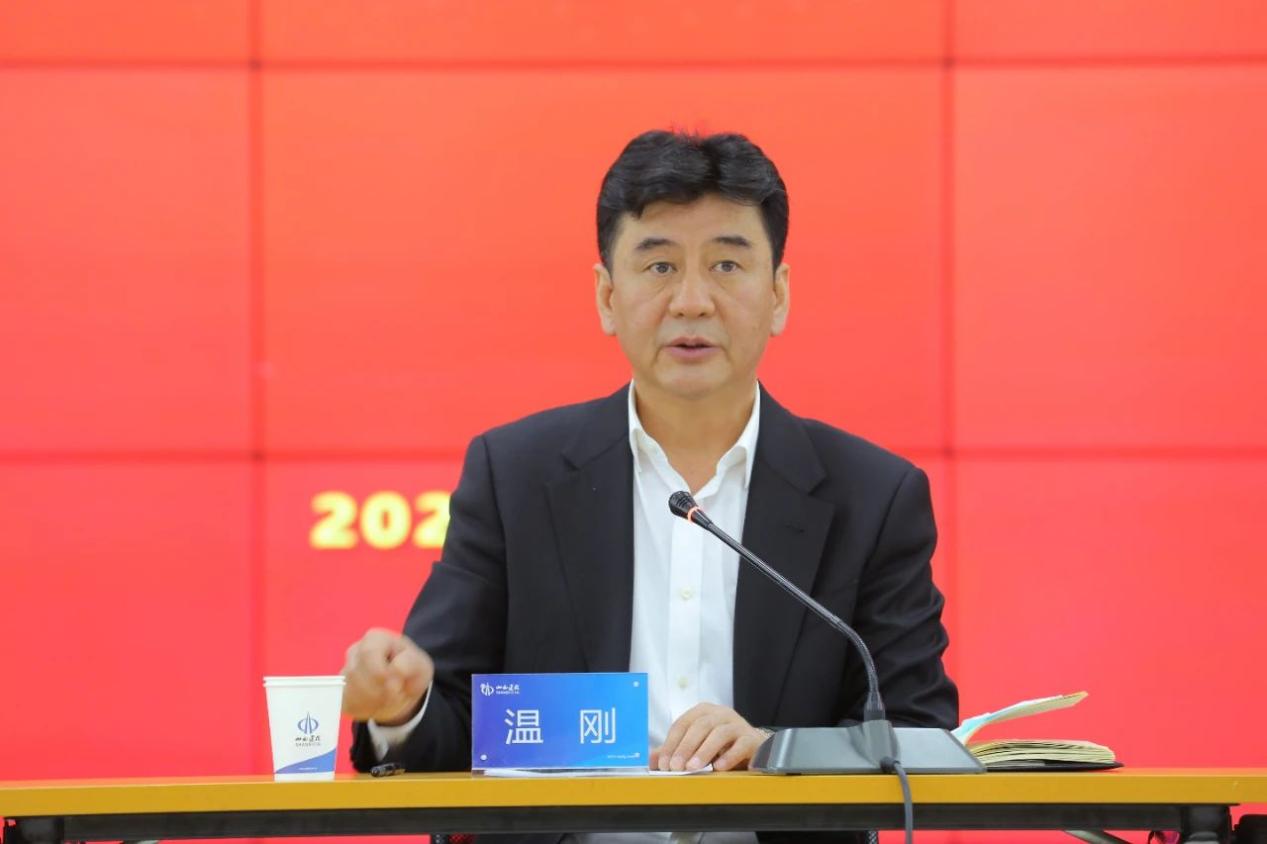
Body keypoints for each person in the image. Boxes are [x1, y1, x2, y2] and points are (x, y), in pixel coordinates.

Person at [340, 129, 957, 840]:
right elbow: (449, 729)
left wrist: (775, 753)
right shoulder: (517, 477)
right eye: (659, 266)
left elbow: (918, 736)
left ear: (778, 295)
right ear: (607, 297)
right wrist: (401, 707)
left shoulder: (870, 496)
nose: (691, 301)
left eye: (727, 264)